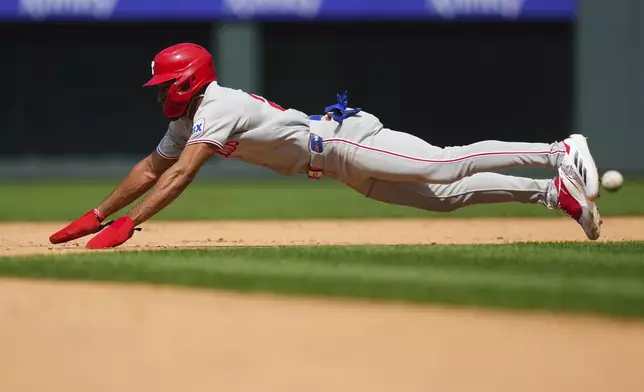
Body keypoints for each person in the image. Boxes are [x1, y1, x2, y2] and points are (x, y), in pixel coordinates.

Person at [49, 43, 602, 249]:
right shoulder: (191, 115)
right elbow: (153, 168)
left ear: (189, 79)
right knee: (445, 197)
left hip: (344, 139)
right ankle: (554, 195)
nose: (161, 94)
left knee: (441, 163)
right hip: (335, 167)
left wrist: (133, 224)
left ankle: (559, 150)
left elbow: (181, 176)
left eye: (166, 84)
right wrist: (98, 214)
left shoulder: (216, 105)